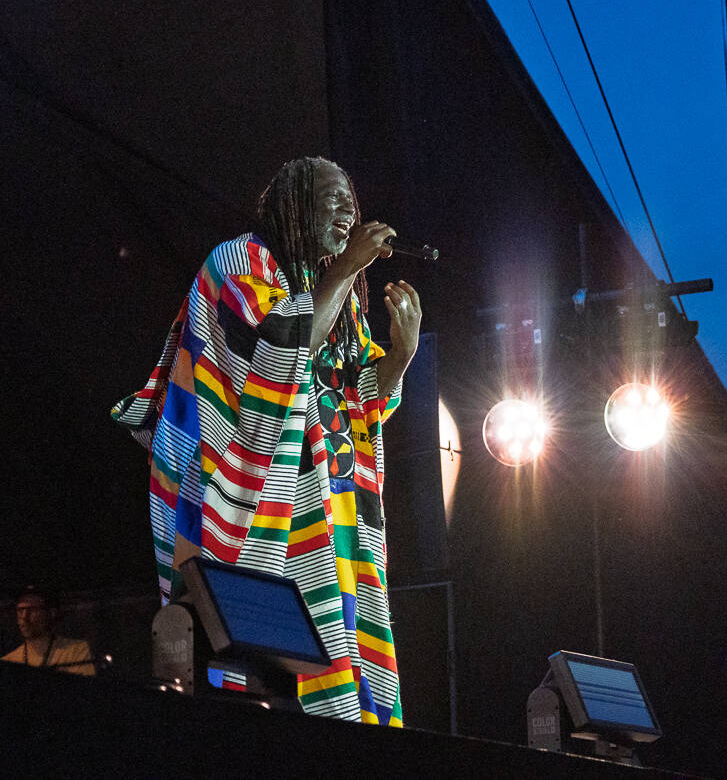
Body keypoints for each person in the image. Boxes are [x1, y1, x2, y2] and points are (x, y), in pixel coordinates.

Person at [112, 157, 423, 721]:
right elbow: (277, 346)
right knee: (246, 675)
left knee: (332, 679)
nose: (348, 211)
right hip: (241, 495)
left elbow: (353, 396)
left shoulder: (336, 292)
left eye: (351, 201)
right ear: (294, 205)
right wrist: (347, 269)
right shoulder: (239, 260)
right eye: (331, 198)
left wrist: (401, 356)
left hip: (323, 509)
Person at [3, 588, 94, 674]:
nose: (24, 616)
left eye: (33, 610)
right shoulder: (9, 660)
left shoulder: (77, 650)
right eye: (20, 610)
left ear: (51, 613)